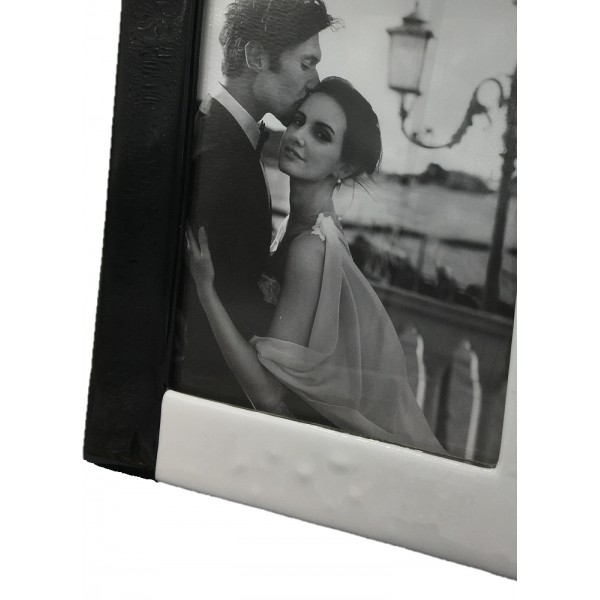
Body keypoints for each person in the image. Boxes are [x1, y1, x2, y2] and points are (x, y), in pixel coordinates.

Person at [185, 77, 446, 455]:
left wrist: (205, 290)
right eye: (299, 121)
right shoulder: (301, 229)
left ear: (345, 167)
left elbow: (269, 396)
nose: (297, 136)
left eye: (321, 135)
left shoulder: (311, 248)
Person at [174, 0, 337, 404]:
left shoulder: (217, 133)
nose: (315, 80)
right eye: (306, 63)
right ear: (256, 57)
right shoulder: (220, 158)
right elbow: (200, 318)